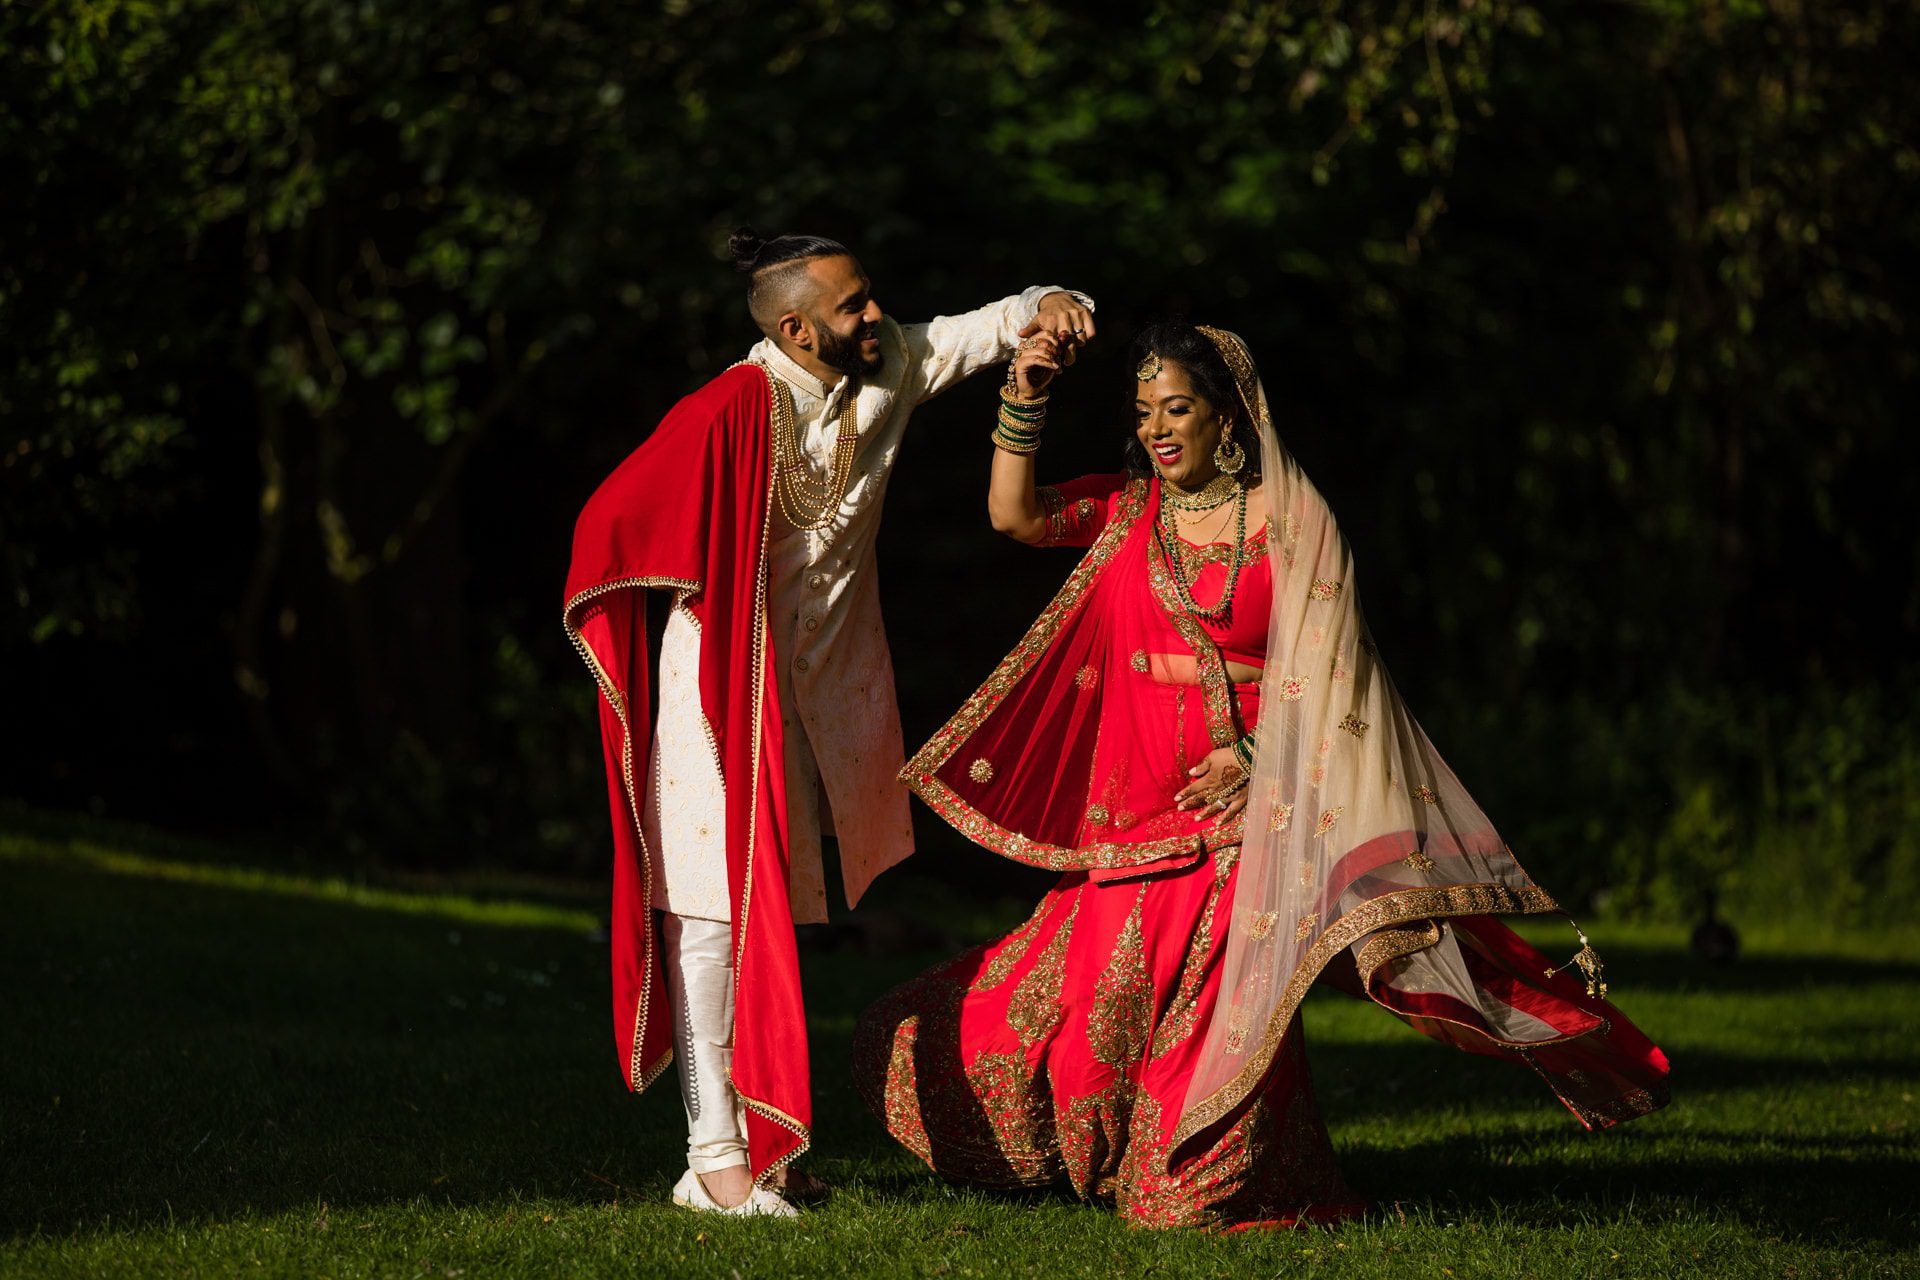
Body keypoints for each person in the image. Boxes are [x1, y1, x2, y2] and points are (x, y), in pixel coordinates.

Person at [854, 321, 1671, 1229]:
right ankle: (1088, 1157)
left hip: (1250, 811)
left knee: (1201, 1059)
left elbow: (1336, 666)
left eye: (1179, 408)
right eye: (1144, 413)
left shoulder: (1293, 516)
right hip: (1132, 812)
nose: (1160, 430)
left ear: (1227, 416)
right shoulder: (1131, 511)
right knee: (1087, 1012)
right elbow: (1016, 517)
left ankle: (1204, 1164)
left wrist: (1254, 758)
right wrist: (1025, 397)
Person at [563, 229, 1096, 1216]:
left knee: (775, 901)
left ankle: (759, 1148)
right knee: (710, 915)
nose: (875, 314)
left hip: (814, 684)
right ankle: (714, 1153)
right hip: (717, 684)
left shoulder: (884, 361)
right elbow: (611, 518)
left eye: (871, 298)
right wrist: (705, 599)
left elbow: (977, 329)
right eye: (853, 304)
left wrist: (1051, 298)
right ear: (797, 327)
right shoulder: (731, 405)